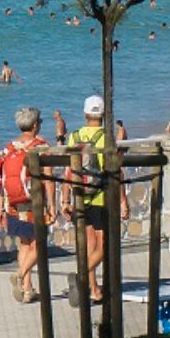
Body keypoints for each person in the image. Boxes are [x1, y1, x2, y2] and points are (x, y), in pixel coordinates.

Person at [0, 107, 47, 303]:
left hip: (12, 203)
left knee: (25, 243)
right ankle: (21, 275)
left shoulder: (9, 148)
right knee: (39, 244)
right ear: (34, 125)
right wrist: (53, 205)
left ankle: (27, 290)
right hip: (33, 202)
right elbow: (47, 180)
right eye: (39, 121)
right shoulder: (40, 147)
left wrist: (0, 208)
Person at [69, 94, 112, 305]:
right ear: (103, 114)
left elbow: (70, 168)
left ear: (85, 114)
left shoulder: (74, 136)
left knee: (89, 245)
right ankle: (81, 276)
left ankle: (94, 290)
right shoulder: (107, 137)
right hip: (100, 196)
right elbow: (114, 170)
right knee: (104, 246)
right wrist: (122, 200)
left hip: (80, 195)